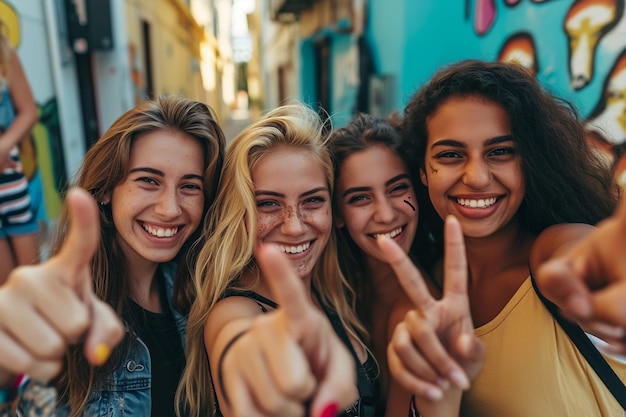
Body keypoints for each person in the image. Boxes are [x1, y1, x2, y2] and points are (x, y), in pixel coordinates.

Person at [385, 59, 624, 416]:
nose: (477, 176)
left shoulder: (553, 252)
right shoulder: (425, 301)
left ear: (529, 162)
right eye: (451, 155)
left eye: (500, 152)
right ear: (423, 171)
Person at [0, 95, 226, 417]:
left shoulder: (200, 292)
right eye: (149, 181)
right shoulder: (69, 311)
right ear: (107, 189)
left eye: (190, 186)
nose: (170, 209)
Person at [178, 103, 379, 417]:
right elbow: (239, 346)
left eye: (312, 200)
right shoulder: (234, 313)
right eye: (268, 204)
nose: (295, 225)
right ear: (240, 215)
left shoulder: (335, 292)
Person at [329, 113, 485, 417]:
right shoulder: (342, 285)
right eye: (360, 198)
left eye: (398, 188)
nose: (386, 215)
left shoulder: (416, 317)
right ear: (337, 215)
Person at [0, 19, 40, 284]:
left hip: (9, 178)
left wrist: (3, 145)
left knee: (34, 280)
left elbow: (29, 111)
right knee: (6, 291)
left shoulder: (4, 53)